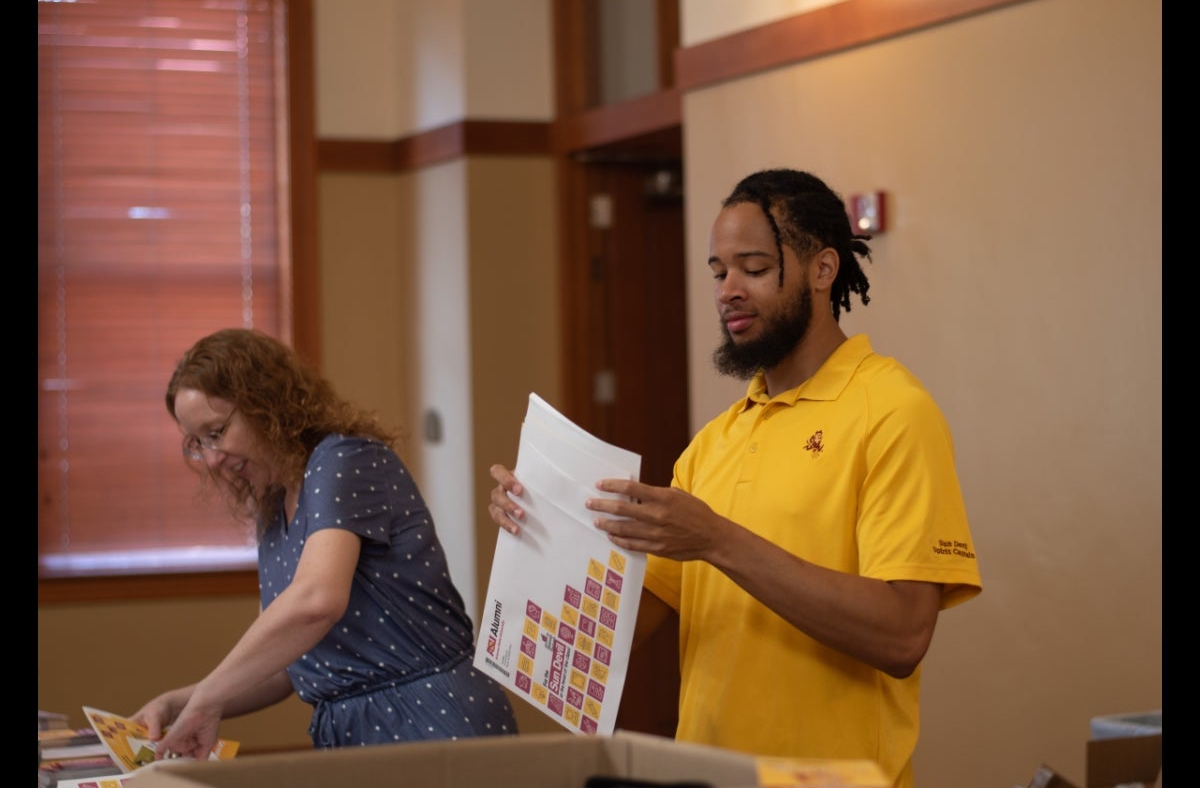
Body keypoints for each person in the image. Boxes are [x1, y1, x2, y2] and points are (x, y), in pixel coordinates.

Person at [488, 168, 982, 788]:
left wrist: (718, 540)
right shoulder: (713, 444)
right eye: (719, 271)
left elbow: (904, 634)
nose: (728, 290)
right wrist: (538, 532)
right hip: (709, 775)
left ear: (823, 269)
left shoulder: (892, 411)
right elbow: (611, 636)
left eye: (753, 267)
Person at [135, 328, 518, 760]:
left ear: (266, 403)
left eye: (217, 432)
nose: (212, 458)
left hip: (431, 718)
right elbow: (285, 665)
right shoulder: (273, 507)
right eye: (197, 443)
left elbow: (317, 600)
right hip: (352, 736)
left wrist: (207, 696)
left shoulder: (345, 459)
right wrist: (180, 702)